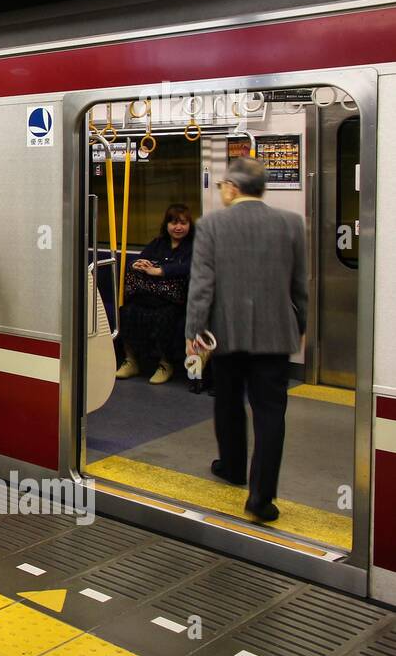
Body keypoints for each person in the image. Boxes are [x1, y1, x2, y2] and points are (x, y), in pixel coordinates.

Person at [185, 157, 307, 523]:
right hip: (276, 333)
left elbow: (202, 286)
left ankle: (233, 467)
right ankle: (261, 498)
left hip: (226, 332)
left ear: (233, 188)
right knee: (270, 413)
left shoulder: (211, 225)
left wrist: (194, 333)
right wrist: (298, 326)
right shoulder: (291, 223)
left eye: (223, 184)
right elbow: (300, 285)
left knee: (228, 401)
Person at [116, 203, 194, 384]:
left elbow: (189, 267)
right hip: (149, 297)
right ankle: (131, 360)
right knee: (127, 312)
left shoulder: (193, 246)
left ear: (190, 225)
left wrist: (161, 271)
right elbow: (141, 258)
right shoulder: (158, 243)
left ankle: (165, 363)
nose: (178, 227)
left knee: (165, 317)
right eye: (173, 223)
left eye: (183, 223)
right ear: (166, 225)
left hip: (174, 300)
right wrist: (138, 264)